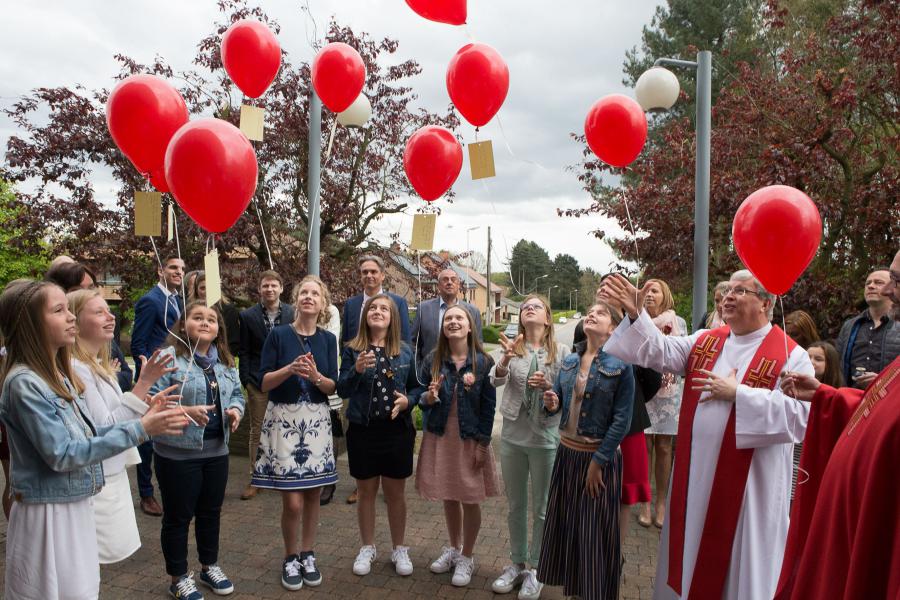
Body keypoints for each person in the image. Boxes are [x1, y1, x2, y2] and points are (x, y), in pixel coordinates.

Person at [604, 270, 814, 600]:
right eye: (728, 289)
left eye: (740, 290)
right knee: (688, 562)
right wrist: (636, 314)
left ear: (766, 302)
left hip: (748, 494)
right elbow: (659, 350)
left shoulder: (792, 355)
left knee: (737, 573)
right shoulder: (706, 340)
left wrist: (740, 394)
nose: (728, 296)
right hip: (696, 483)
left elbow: (801, 417)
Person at [0, 279, 187, 600]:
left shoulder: (54, 377)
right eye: (59, 310)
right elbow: (62, 452)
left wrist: (146, 420)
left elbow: (88, 434)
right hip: (47, 514)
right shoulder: (24, 383)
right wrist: (142, 428)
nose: (70, 317)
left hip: (72, 505)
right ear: (30, 323)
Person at [775, 249, 900, 600]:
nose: (889, 290)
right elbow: (876, 409)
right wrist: (827, 396)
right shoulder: (853, 329)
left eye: (896, 280)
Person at [68, 289, 205, 565]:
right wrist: (144, 383)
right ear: (76, 321)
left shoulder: (94, 365)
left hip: (111, 477)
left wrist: (148, 402)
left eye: (109, 311)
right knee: (86, 565)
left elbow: (116, 412)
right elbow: (102, 428)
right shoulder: (77, 369)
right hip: (99, 481)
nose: (111, 317)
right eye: (99, 312)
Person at [537, 302, 634, 600]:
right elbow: (560, 405)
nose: (592, 315)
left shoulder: (622, 364)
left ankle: (591, 594)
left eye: (601, 313)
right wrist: (552, 402)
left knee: (593, 534)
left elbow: (622, 421)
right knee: (569, 528)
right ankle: (574, 590)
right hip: (567, 454)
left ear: (613, 328)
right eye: (590, 312)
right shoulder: (569, 361)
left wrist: (599, 462)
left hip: (598, 459)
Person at [150, 301, 245, 599]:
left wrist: (234, 411)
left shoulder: (226, 363)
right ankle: (178, 578)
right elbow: (152, 401)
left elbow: (238, 396)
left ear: (219, 330)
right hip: (177, 454)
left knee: (210, 513)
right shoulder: (168, 359)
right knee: (178, 517)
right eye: (197, 317)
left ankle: (209, 566)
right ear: (183, 325)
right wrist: (184, 410)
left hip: (217, 452)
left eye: (212, 319)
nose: (205, 323)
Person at [252, 275, 339, 591]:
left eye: (315, 293)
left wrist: (316, 376)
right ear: (296, 299)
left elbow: (332, 385)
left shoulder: (328, 340)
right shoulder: (278, 336)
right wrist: (289, 369)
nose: (309, 297)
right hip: (285, 421)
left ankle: (307, 553)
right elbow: (263, 382)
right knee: (292, 503)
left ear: (322, 304)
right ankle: (290, 556)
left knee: (314, 494)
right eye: (304, 292)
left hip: (316, 421)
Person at [488, 294, 567, 600]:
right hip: (512, 437)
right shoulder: (511, 348)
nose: (528, 308)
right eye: (524, 307)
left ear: (547, 318)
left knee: (543, 507)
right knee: (516, 506)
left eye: (536, 306)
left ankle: (536, 568)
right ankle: (517, 562)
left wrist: (551, 393)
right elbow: (494, 382)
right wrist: (505, 359)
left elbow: (566, 394)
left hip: (545, 438)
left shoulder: (561, 352)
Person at [337, 294, 421, 578]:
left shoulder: (406, 351)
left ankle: (399, 547)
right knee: (366, 493)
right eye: (373, 307)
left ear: (393, 317)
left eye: (384, 308)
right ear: (365, 316)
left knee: (396, 494)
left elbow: (417, 389)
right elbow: (342, 389)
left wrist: (409, 402)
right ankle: (368, 546)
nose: (378, 311)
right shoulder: (352, 350)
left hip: (397, 431)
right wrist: (357, 369)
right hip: (363, 429)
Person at [415, 305, 500, 587]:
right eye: (448, 318)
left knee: (470, 497)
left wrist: (483, 445)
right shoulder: (433, 360)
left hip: (470, 438)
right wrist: (429, 397)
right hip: (441, 435)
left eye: (458, 318)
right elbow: (423, 402)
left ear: (469, 326)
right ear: (443, 327)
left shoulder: (484, 362)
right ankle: (453, 548)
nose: (453, 322)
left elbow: (489, 408)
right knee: (449, 495)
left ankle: (468, 555)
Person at [341, 254, 411, 505]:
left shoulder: (398, 302)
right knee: (360, 432)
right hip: (359, 378)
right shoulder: (350, 305)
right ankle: (362, 486)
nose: (369, 275)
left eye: (373, 271)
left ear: (382, 275)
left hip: (391, 377)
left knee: (395, 488)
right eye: (364, 272)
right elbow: (346, 345)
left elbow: (405, 342)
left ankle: (386, 485)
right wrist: (354, 368)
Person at [131, 254, 185, 516]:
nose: (179, 272)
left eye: (182, 269)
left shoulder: (178, 301)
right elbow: (139, 343)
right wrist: (146, 380)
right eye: (173, 267)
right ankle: (146, 493)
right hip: (153, 379)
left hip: (174, 373)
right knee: (146, 438)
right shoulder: (150, 301)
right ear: (160, 271)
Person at [238, 270, 295, 501]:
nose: (269, 289)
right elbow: (244, 350)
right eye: (265, 286)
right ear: (259, 289)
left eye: (273, 285)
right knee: (257, 430)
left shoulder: (292, 313)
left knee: (286, 428)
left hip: (286, 380)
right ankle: (256, 476)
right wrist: (247, 380)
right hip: (258, 382)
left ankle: (285, 473)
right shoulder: (248, 316)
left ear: (281, 288)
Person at [45, 260, 133, 391]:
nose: (88, 295)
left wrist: (106, 375)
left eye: (91, 288)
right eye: (77, 290)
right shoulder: (69, 359)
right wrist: (104, 373)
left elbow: (127, 376)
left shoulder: (104, 337)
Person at [640, 278, 685, 528]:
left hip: (668, 391)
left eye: (654, 290)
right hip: (644, 389)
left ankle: (661, 502)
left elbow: (683, 354)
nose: (649, 294)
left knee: (665, 447)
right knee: (644, 444)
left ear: (664, 295)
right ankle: (645, 502)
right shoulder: (639, 320)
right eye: (646, 290)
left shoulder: (678, 323)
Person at [835, 266, 899, 388]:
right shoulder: (849, 326)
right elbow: (837, 367)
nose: (870, 286)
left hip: (888, 401)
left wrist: (882, 381)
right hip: (852, 401)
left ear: (891, 288)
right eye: (867, 283)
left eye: (878, 282)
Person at [412, 267, 483, 368]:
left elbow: (478, 345)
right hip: (429, 373)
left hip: (463, 373)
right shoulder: (423, 309)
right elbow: (413, 342)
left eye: (453, 279)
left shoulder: (473, 312)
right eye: (445, 279)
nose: (449, 282)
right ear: (438, 286)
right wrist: (419, 368)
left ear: (458, 285)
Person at [192, 271, 240, 357]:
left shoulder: (229, 310)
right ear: (196, 291)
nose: (207, 291)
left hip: (221, 360)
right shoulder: (190, 311)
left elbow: (233, 342)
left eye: (210, 287)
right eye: (202, 288)